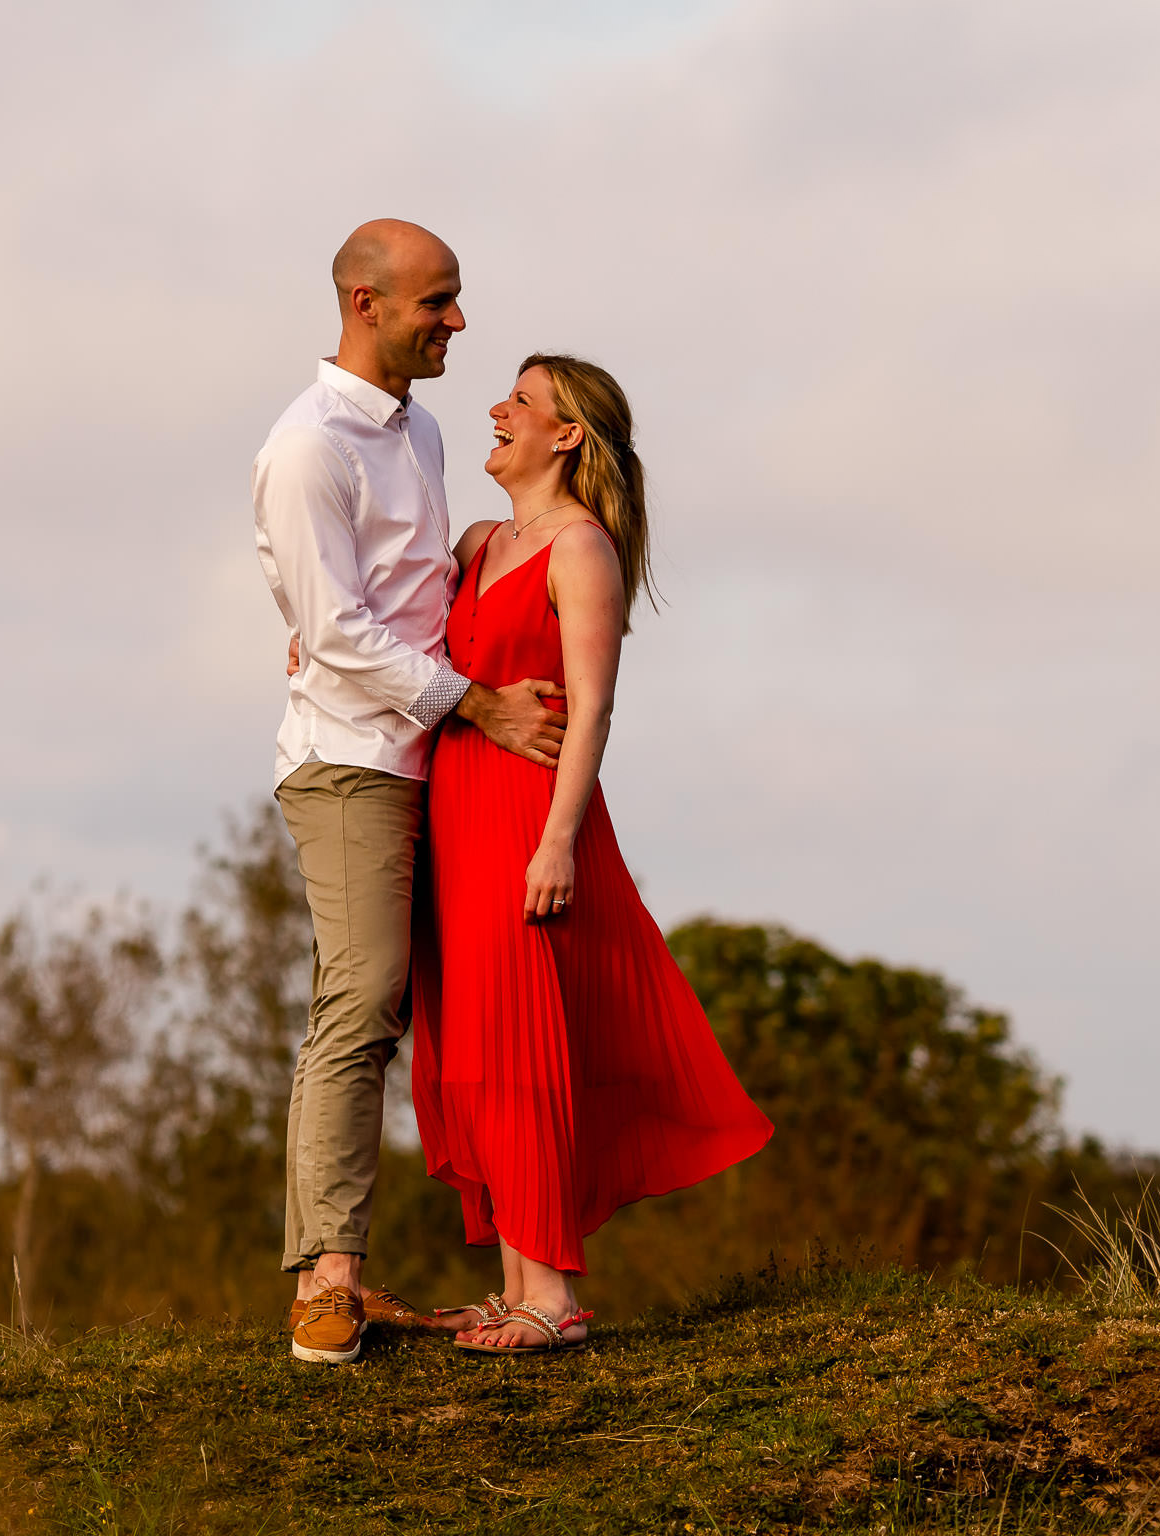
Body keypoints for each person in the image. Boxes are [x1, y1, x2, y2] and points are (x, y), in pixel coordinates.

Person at [407, 354, 773, 1353]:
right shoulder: (480, 541)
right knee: (478, 1052)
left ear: (565, 435)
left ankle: (556, 1297)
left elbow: (596, 706)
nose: (496, 409)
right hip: (454, 813)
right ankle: (516, 1279)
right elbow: (402, 632)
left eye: (520, 402)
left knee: (528, 1049)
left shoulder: (581, 551)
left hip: (529, 818)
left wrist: (559, 842)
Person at [252, 219, 568, 1366]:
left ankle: (527, 1275)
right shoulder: (306, 449)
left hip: (437, 760)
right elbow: (336, 631)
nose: (457, 323)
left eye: (457, 298)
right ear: (364, 302)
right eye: (439, 302)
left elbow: (402, 594)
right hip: (353, 764)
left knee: (468, 1007)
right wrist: (476, 702)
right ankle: (327, 1281)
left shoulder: (423, 433)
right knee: (365, 998)